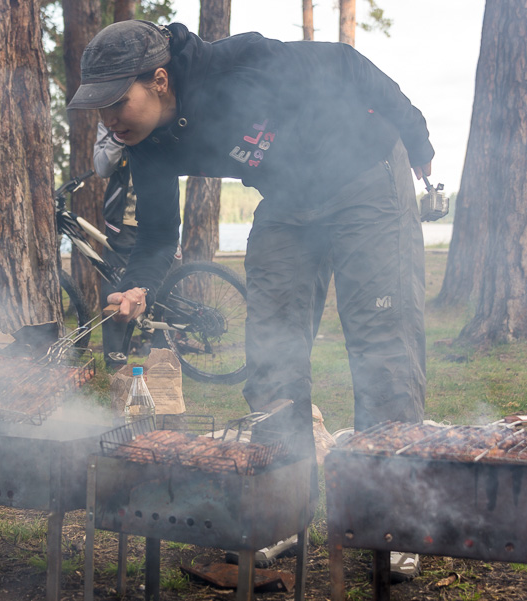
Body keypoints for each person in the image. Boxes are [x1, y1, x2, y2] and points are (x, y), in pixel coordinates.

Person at [68, 20, 431, 581]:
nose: (108, 120)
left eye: (116, 102)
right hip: (288, 199)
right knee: (271, 354)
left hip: (365, 174)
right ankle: (283, 510)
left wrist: (418, 136)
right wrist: (137, 284)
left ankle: (393, 519)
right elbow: (160, 235)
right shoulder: (146, 143)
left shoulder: (237, 66)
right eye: (99, 108)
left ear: (159, 80)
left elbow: (343, 62)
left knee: (382, 344)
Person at [93, 122, 182, 369]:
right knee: (117, 290)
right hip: (122, 226)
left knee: (162, 289)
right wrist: (121, 132)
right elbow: (102, 167)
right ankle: (115, 360)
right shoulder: (111, 124)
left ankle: (162, 360)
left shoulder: (163, 119)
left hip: (158, 224)